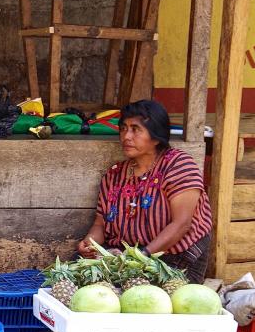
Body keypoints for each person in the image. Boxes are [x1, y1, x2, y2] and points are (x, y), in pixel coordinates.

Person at [77, 100, 213, 283]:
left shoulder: (178, 166)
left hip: (175, 255)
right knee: (77, 274)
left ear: (156, 136)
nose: (126, 136)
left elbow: (182, 224)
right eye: (124, 128)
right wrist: (90, 243)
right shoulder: (114, 175)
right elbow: (100, 224)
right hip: (130, 254)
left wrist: (142, 255)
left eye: (136, 129)